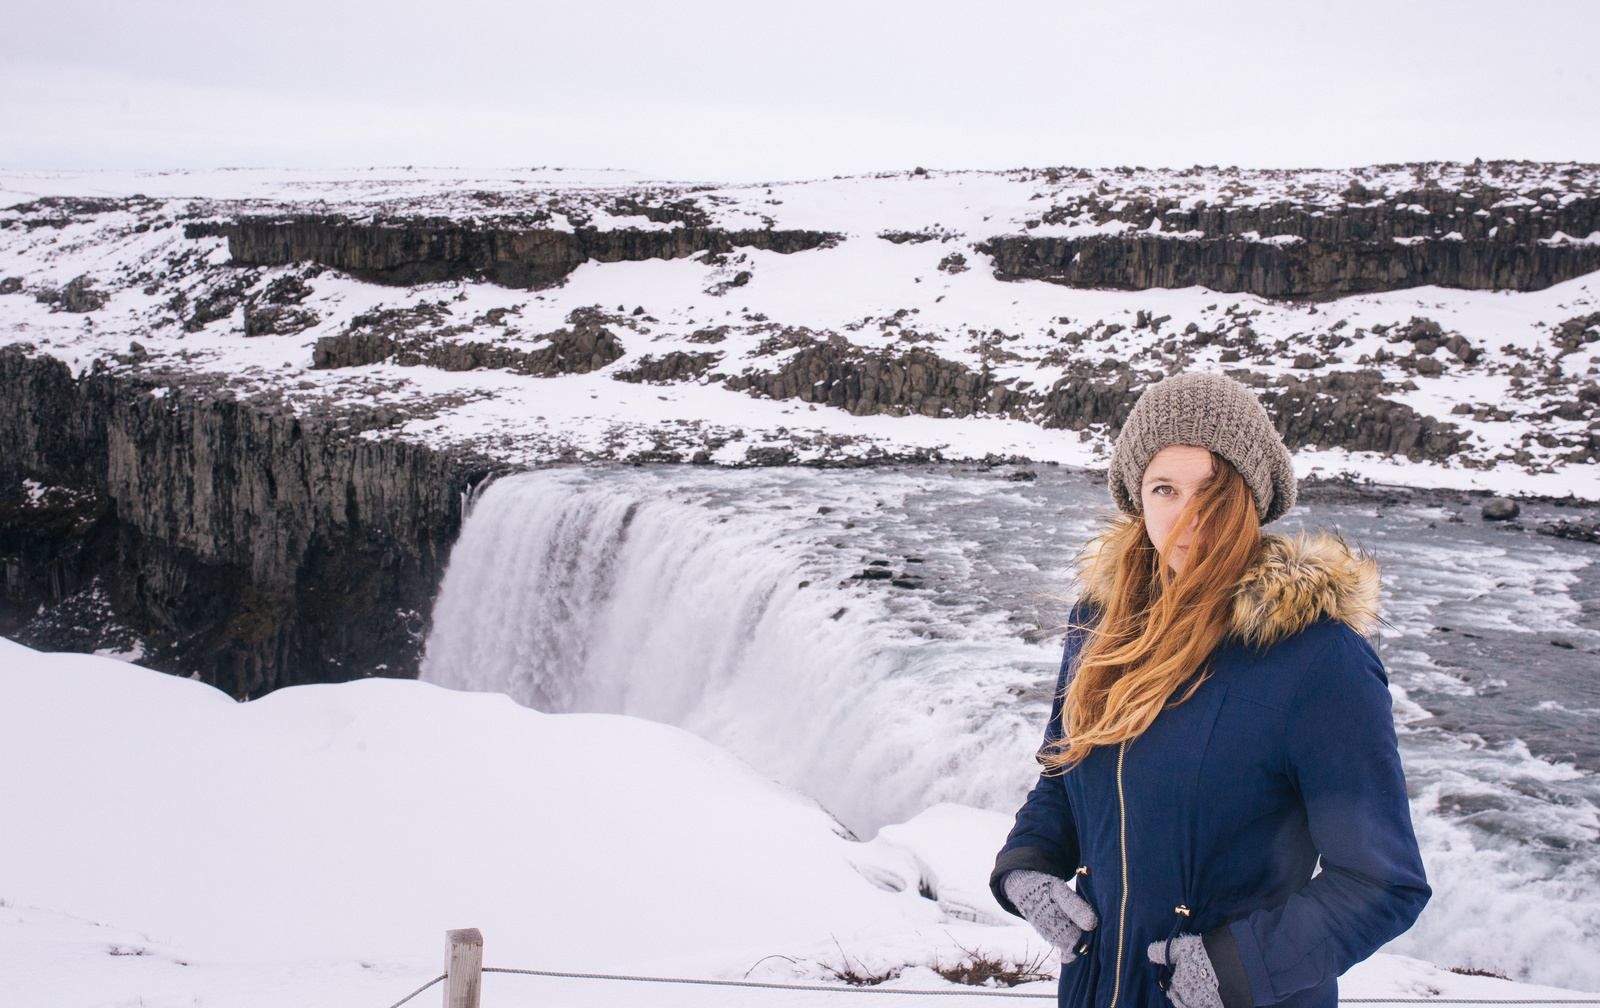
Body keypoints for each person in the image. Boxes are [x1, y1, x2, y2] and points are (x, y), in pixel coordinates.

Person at [989, 371, 1430, 1008]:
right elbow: (1065, 771)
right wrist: (1027, 864)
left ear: (1254, 497)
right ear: (1137, 500)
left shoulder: (1319, 658)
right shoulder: (1099, 624)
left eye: (1214, 490)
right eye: (1163, 488)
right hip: (1097, 988)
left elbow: (1381, 881)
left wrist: (1237, 967)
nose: (1189, 515)